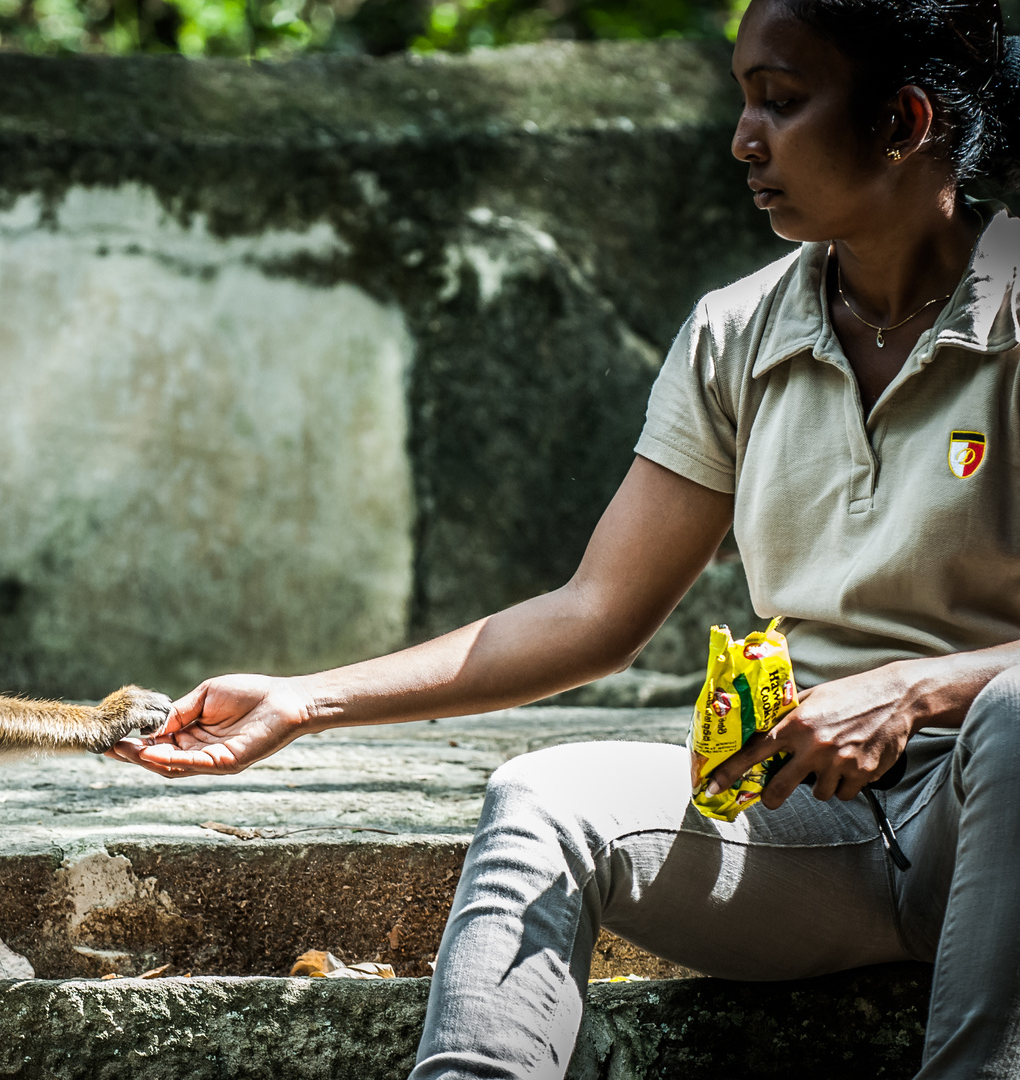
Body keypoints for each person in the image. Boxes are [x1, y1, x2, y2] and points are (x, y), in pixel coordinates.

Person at [109, 1, 1020, 1076]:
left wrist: (915, 691)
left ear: (903, 119)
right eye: (741, 101)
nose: (741, 139)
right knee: (542, 795)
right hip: (814, 830)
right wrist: (306, 701)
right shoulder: (737, 331)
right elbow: (592, 614)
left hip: (990, 808)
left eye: (779, 101)